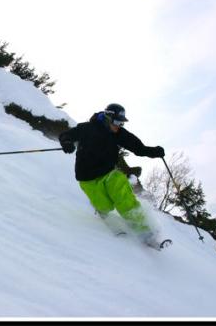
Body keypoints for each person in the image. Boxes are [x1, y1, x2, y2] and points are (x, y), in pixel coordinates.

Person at [59, 103, 165, 246]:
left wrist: (154, 152)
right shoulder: (86, 128)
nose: (119, 126)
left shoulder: (119, 133)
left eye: (121, 122)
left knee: (123, 195)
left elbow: (138, 148)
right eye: (117, 122)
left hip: (109, 173)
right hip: (86, 177)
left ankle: (143, 230)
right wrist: (66, 142)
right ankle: (102, 213)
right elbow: (67, 135)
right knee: (105, 206)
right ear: (107, 117)